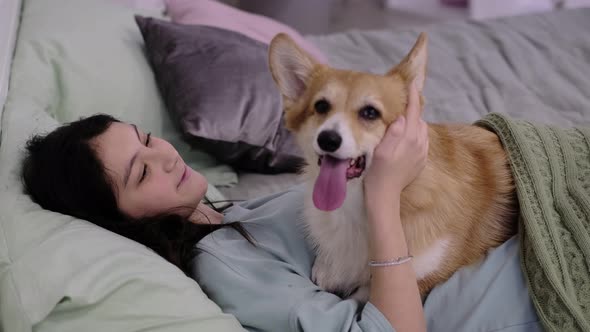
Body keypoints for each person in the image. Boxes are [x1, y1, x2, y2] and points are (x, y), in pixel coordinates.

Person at [21, 84, 539, 332]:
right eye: (140, 172)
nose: (164, 155)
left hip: (497, 233)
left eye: (148, 139)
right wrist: (383, 194)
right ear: (122, 222)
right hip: (519, 287)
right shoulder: (226, 265)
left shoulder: (230, 215)